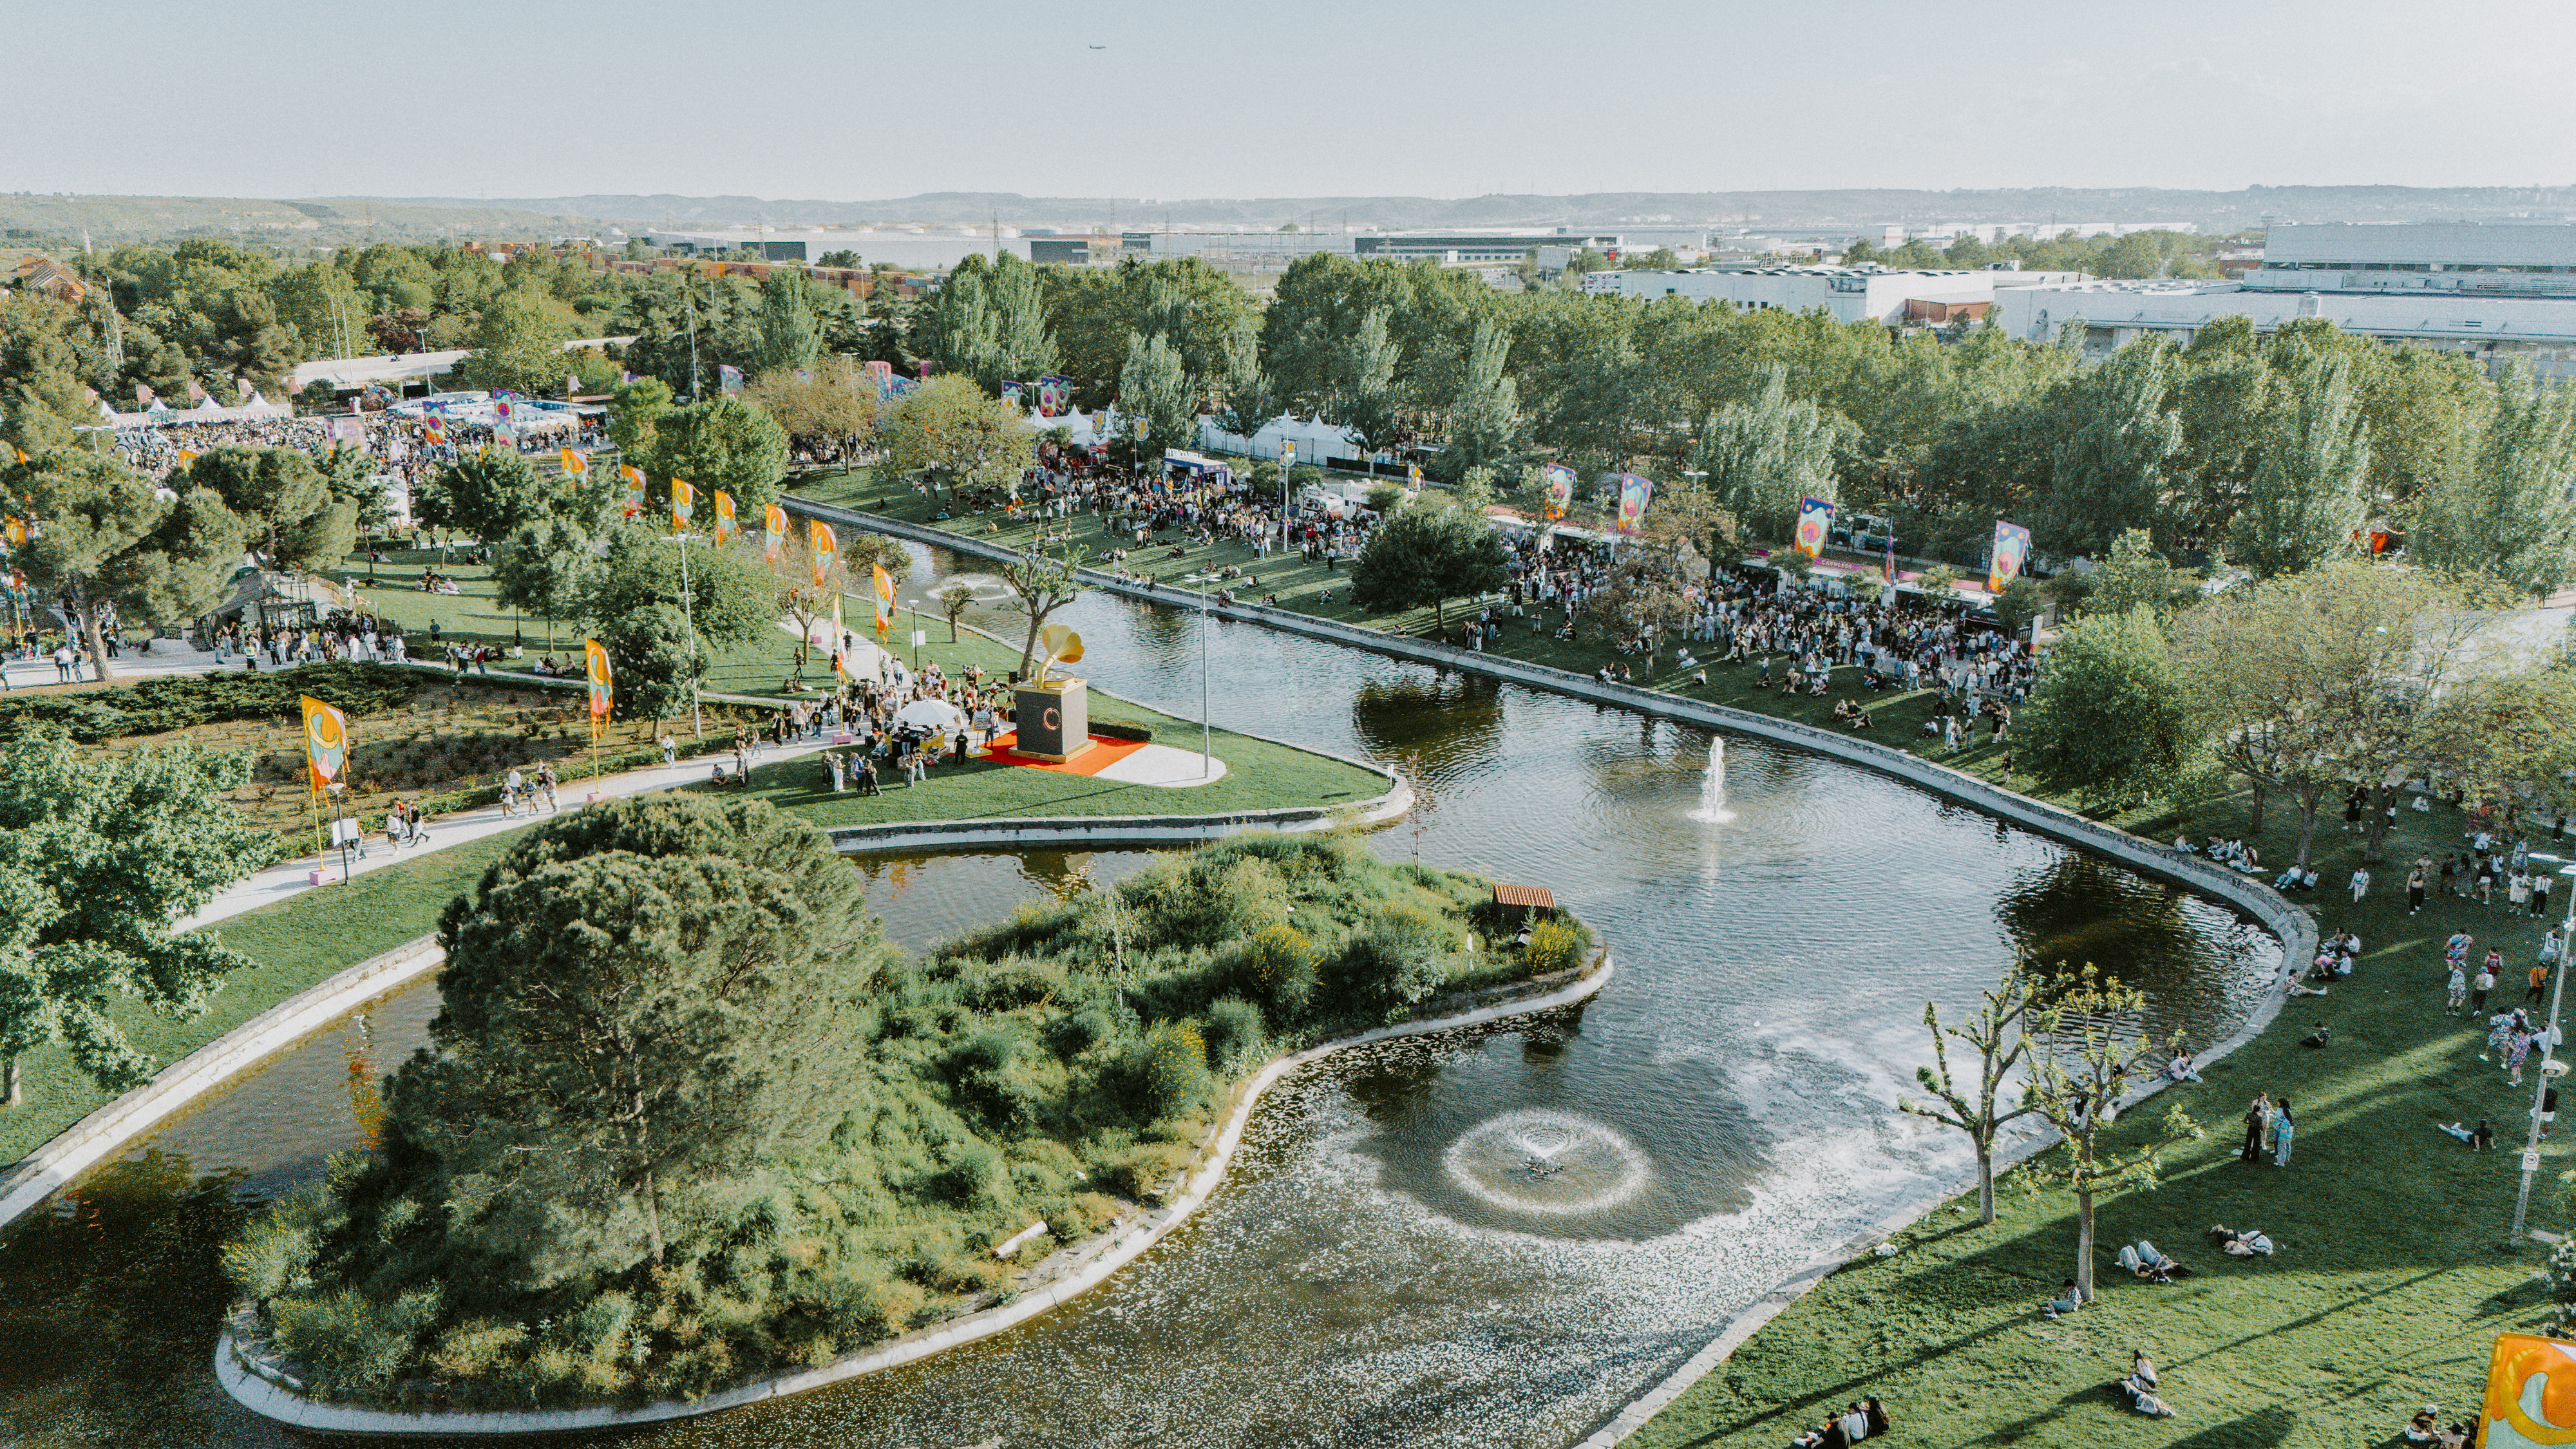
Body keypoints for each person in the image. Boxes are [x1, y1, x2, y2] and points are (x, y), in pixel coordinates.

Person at [2241, 1093, 2271, 1164]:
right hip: (2257, 1119)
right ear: (2260, 1097)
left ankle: (2263, 1144)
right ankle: (2254, 1154)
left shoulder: (2267, 1103)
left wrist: (2265, 1112)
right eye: (2263, 1097)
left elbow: (2269, 1110)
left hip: (2262, 1118)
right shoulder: (2255, 1102)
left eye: (2265, 1097)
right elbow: (2253, 1109)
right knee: (2256, 1137)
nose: (2264, 1099)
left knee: (2264, 1130)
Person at [2273, 1098, 2297, 1166]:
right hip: (2288, 1137)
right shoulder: (2290, 1121)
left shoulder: (2285, 1122)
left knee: (2282, 1150)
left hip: (2283, 1137)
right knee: (2287, 1147)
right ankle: (2287, 1159)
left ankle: (2281, 1163)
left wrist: (2279, 1127)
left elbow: (2285, 1131)